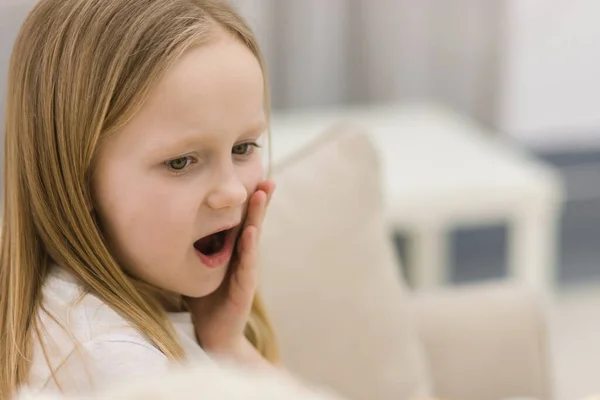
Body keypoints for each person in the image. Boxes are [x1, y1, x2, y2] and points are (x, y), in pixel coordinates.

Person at [0, 0, 281, 397]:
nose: (233, 191)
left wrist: (228, 346)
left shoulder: (152, 310)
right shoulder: (113, 362)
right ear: (77, 180)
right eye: (181, 162)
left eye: (244, 147)